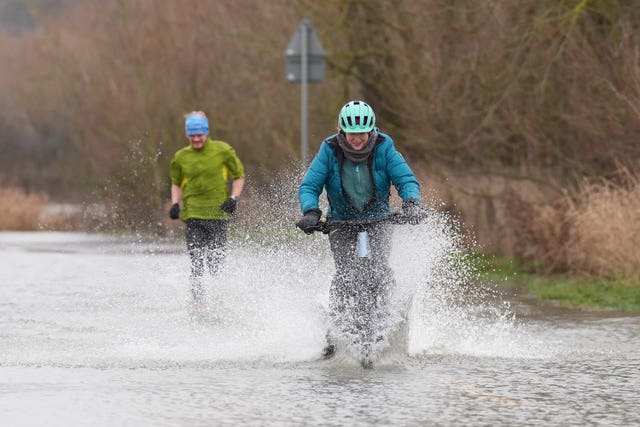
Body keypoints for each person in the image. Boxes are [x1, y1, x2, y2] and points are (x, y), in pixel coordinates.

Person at [296, 100, 426, 360]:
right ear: (342, 131)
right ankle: (336, 329)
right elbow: (309, 186)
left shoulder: (384, 146)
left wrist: (411, 203)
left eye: (363, 134)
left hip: (378, 220)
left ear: (371, 131)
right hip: (341, 223)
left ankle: (383, 322)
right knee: (346, 273)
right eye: (352, 134)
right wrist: (311, 212)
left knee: (378, 270)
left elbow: (405, 179)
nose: (358, 140)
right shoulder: (329, 148)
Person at [169, 111, 245, 301]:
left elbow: (239, 176)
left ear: (206, 133)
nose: (196, 139)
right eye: (192, 136)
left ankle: (219, 300)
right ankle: (198, 303)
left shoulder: (223, 151)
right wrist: (175, 204)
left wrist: (233, 198)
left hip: (218, 215)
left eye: (199, 135)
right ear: (187, 135)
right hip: (194, 215)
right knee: (196, 262)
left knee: (215, 264)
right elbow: (176, 183)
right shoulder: (180, 157)